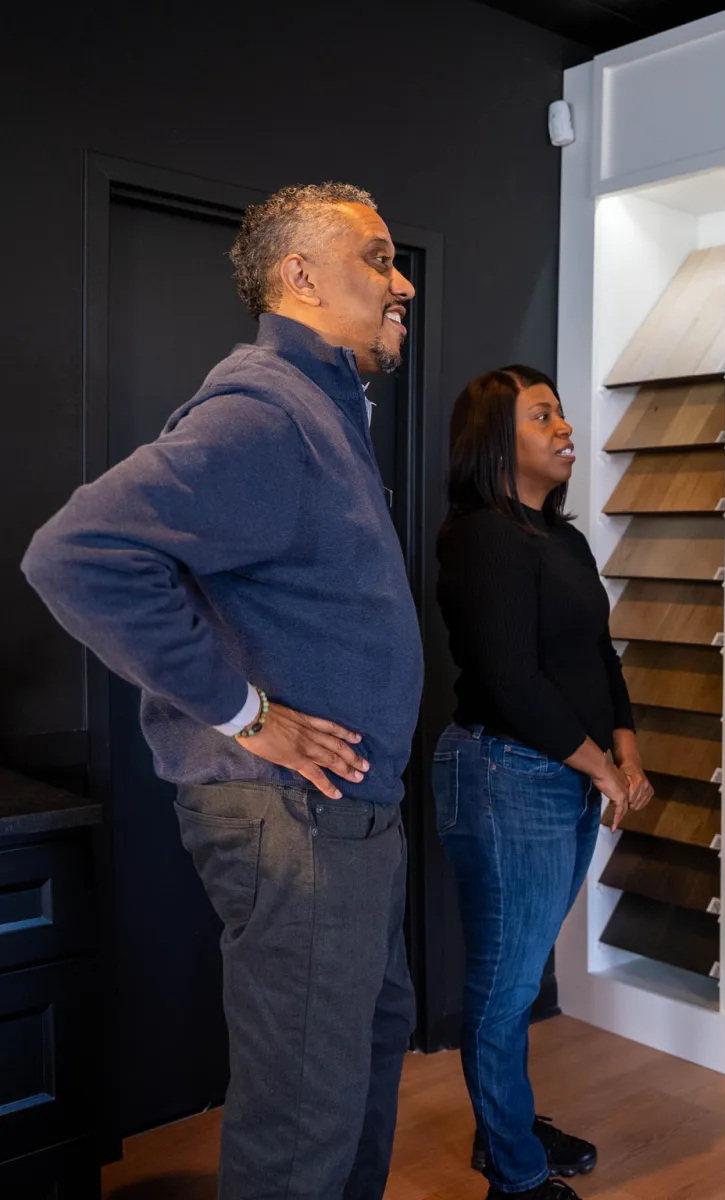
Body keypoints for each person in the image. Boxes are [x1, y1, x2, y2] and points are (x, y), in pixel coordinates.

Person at [22, 183, 424, 1197]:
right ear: (299, 275)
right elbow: (75, 555)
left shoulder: (324, 411)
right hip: (298, 821)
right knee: (303, 1121)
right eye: (377, 259)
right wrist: (249, 716)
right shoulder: (266, 409)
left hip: (347, 815)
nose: (400, 283)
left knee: (361, 1066)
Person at [433, 365, 652, 1200]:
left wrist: (626, 756)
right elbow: (512, 678)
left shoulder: (563, 540)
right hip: (504, 772)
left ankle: (507, 1130)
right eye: (543, 416)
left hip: (561, 775)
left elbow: (599, 659)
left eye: (561, 414)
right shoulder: (481, 535)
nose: (566, 429)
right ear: (497, 440)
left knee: (517, 975)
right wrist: (605, 771)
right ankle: (516, 1178)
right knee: (506, 982)